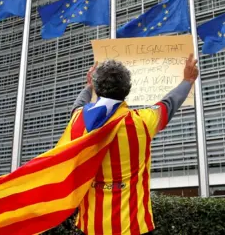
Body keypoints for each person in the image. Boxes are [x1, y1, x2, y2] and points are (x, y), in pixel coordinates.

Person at [69, 53, 199, 235]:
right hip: (134, 227)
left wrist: (88, 86)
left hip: (91, 227)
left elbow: (77, 106)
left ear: (97, 90)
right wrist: (187, 80)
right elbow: (169, 104)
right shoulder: (142, 122)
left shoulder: (78, 121)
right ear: (127, 90)